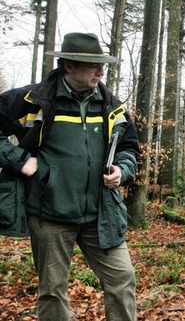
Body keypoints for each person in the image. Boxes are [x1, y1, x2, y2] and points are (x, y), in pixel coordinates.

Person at [0, 32, 140, 320]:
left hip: (100, 214)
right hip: (49, 213)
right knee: (52, 290)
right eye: (93, 66)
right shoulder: (31, 100)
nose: (101, 71)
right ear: (69, 66)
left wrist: (122, 171)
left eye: (102, 65)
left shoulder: (111, 106)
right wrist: (18, 159)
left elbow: (128, 148)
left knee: (122, 278)